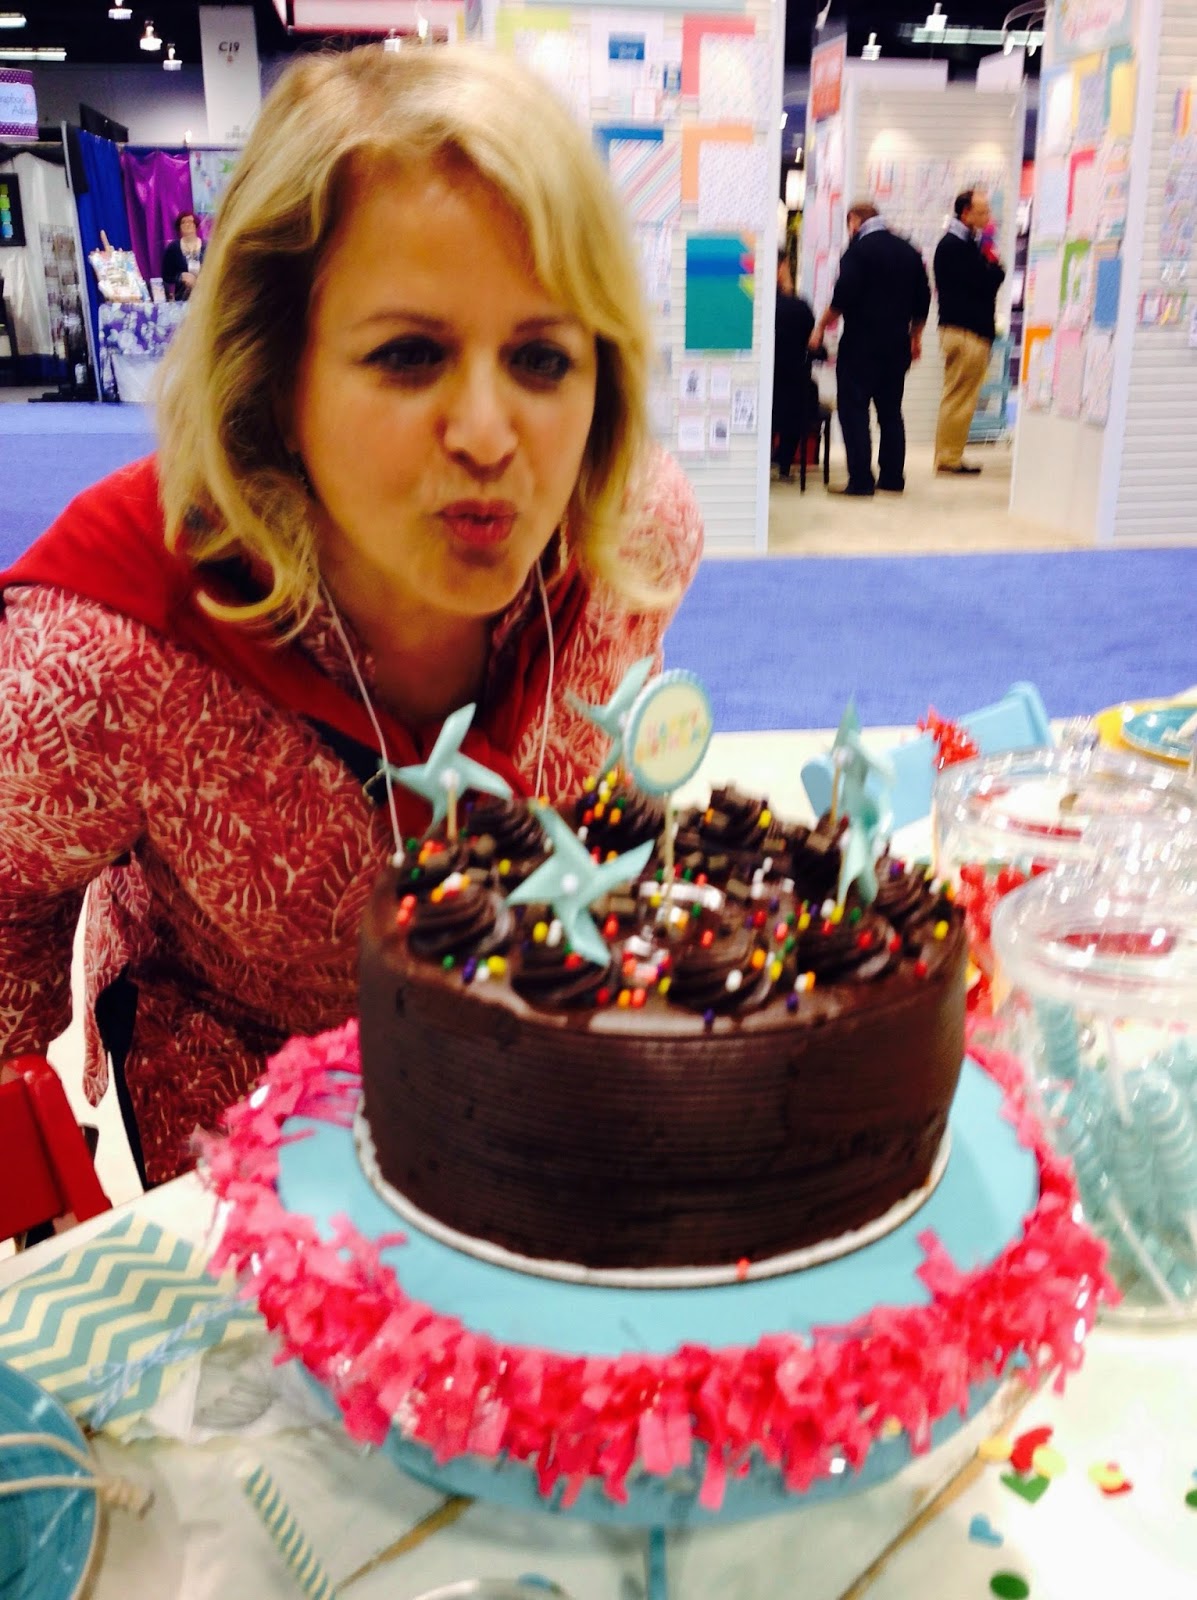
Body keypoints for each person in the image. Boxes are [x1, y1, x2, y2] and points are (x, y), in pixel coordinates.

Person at [0, 46, 703, 1190]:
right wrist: (24, 1173)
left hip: (540, 1056)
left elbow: (620, 775)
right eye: (410, 355)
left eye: (541, 355)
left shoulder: (633, 544)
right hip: (257, 1124)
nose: (490, 435)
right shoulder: (109, 650)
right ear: (276, 378)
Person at [809, 202, 930, 497]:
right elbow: (923, 300)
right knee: (890, 412)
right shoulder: (909, 249)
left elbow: (842, 297)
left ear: (854, 220)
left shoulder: (858, 251)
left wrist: (820, 326)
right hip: (897, 343)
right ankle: (892, 477)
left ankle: (861, 480)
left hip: (861, 343)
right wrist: (915, 337)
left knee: (854, 410)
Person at [932, 189, 1006, 475]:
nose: (988, 217)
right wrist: (995, 269)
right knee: (960, 397)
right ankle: (949, 458)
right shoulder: (956, 246)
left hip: (963, 330)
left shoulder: (962, 245)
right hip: (966, 333)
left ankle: (948, 455)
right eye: (982, 212)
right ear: (965, 213)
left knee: (958, 395)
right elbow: (984, 282)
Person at [771, 248, 820, 483]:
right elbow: (814, 345)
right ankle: (784, 464)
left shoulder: (755, 306)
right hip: (794, 384)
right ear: (782, 268)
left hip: (768, 385)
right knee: (804, 392)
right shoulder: (799, 308)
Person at [160, 210, 205, 300]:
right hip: (182, 298)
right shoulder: (173, 248)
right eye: (183, 222)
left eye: (190, 222)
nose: (187, 224)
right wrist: (181, 276)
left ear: (196, 225)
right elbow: (166, 276)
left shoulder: (207, 247)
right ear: (179, 227)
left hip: (205, 296)